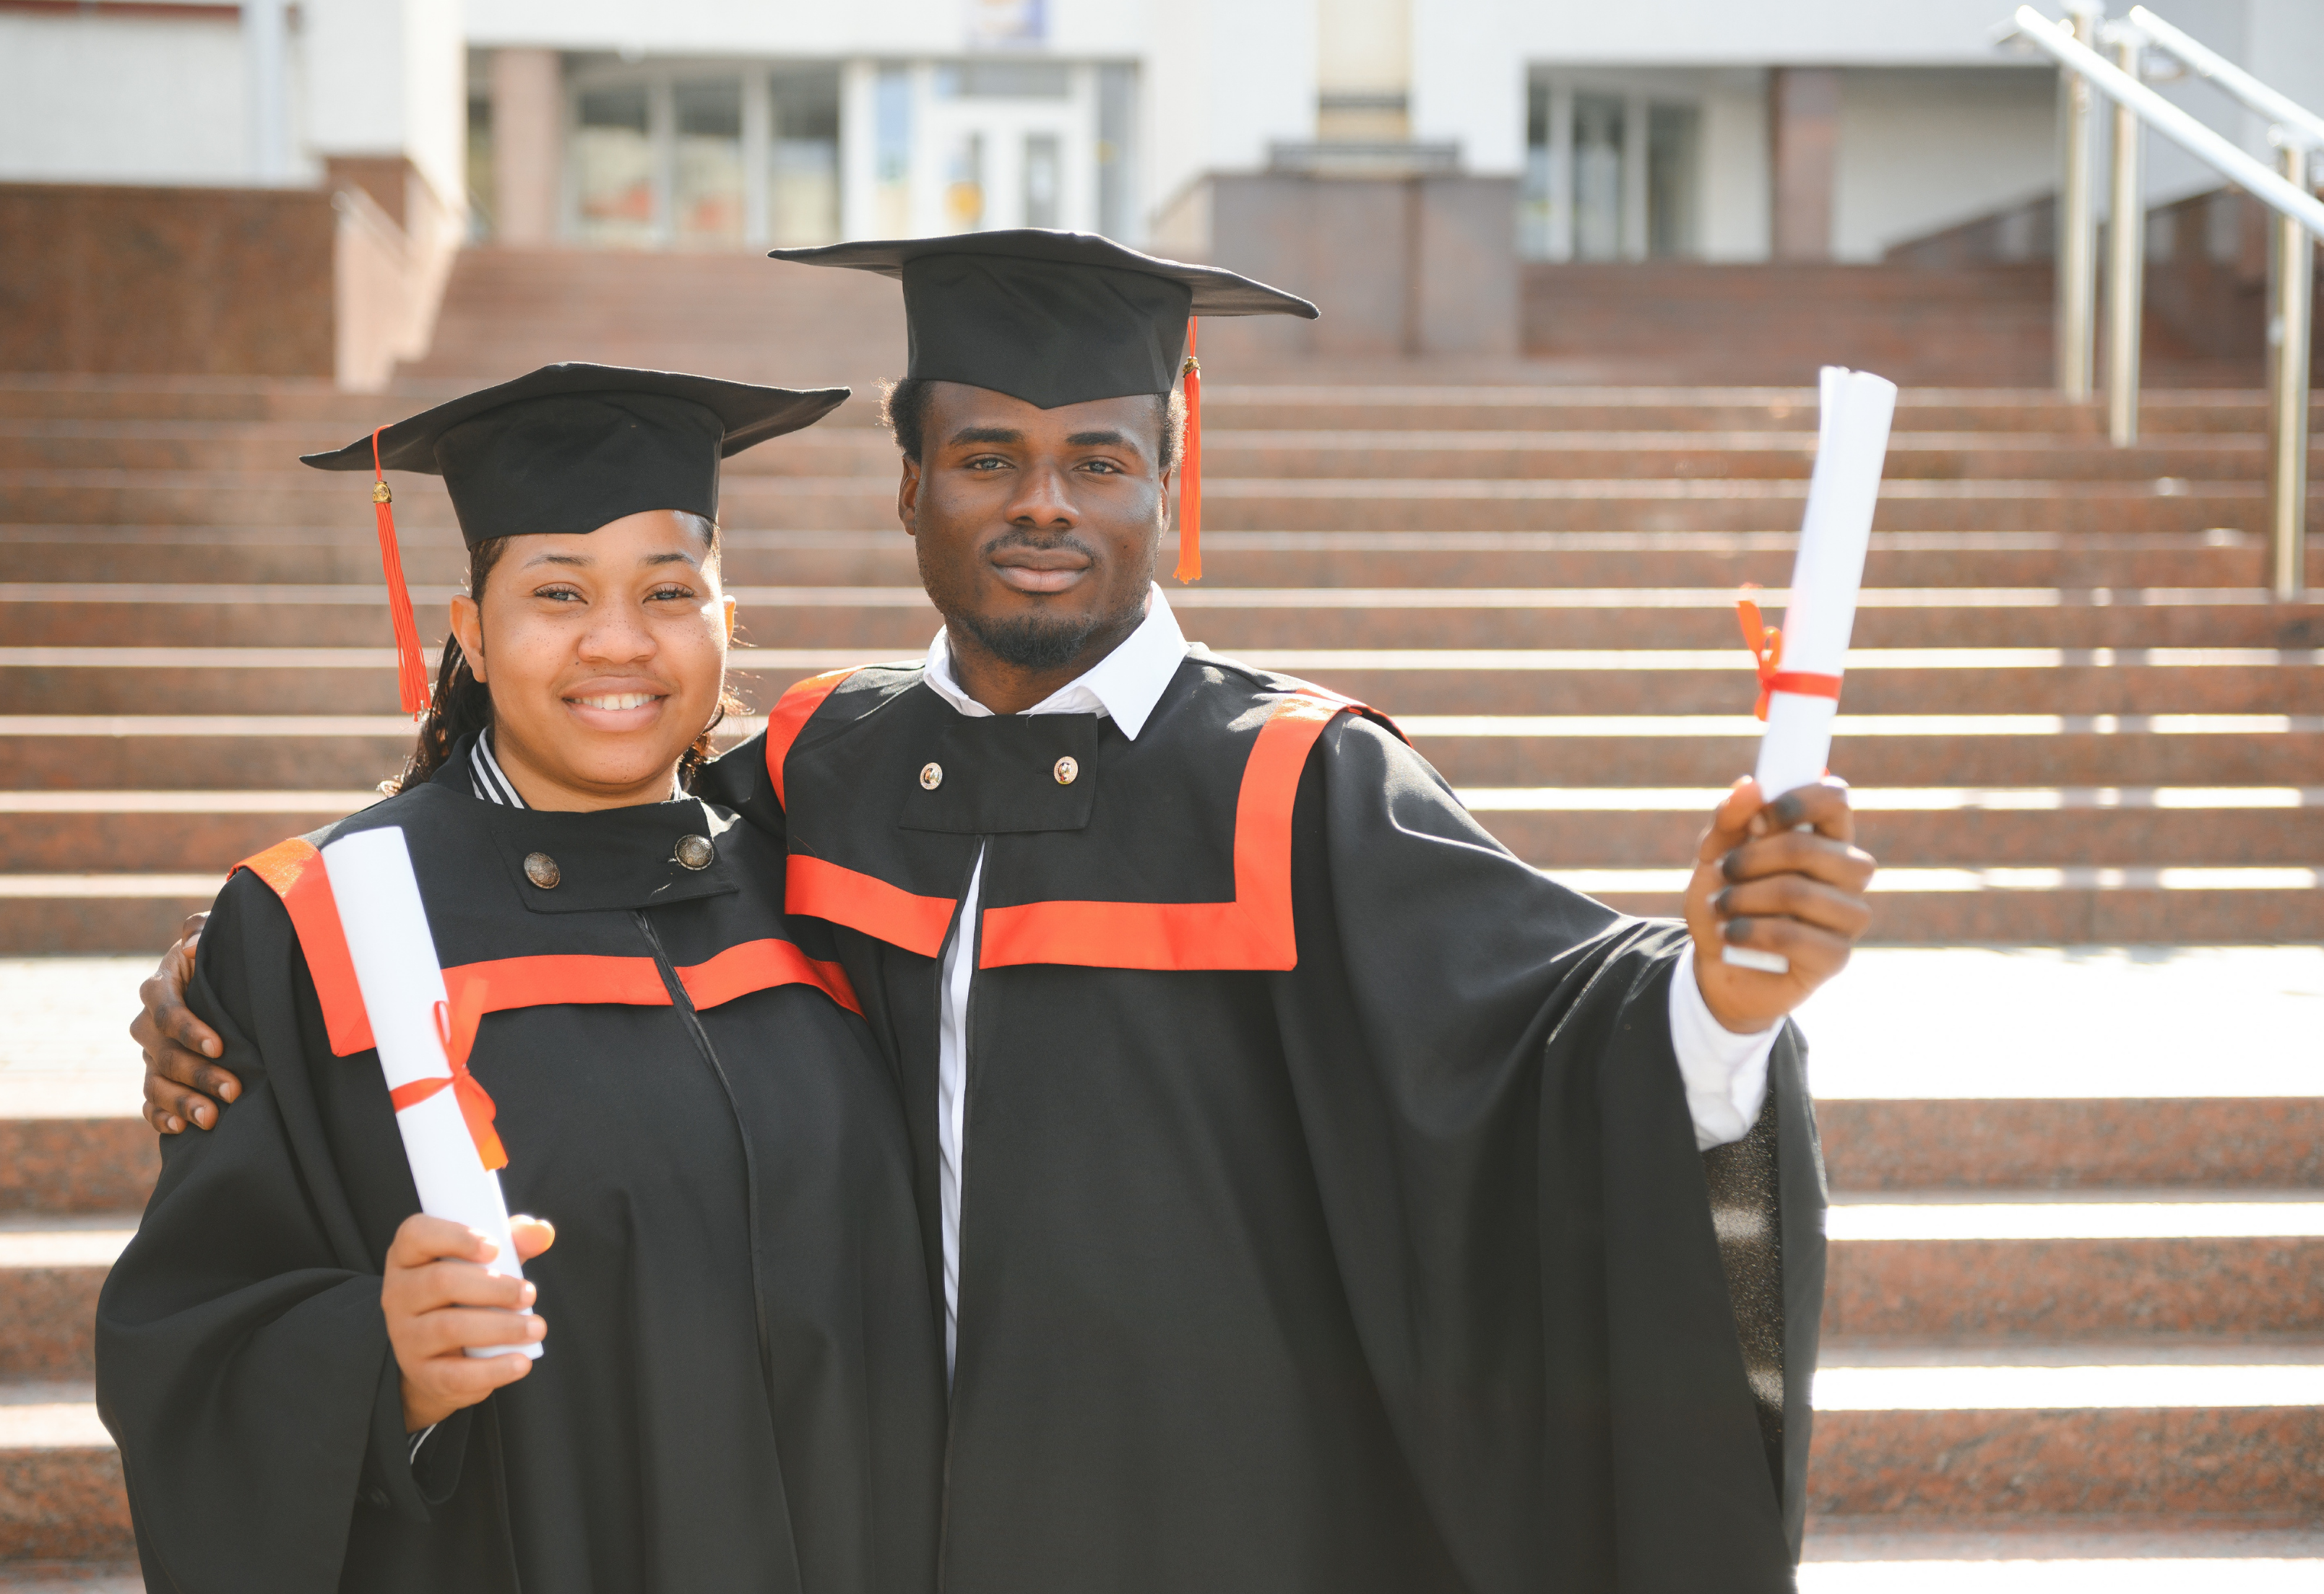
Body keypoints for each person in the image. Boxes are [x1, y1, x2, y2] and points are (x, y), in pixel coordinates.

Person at [135, 235, 1875, 1593]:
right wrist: (242, 980)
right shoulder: (820, 763)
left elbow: (1556, 1041)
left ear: (1165, 476)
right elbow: (566, 828)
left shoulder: (1298, 783)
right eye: (985, 454)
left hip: (1207, 1533)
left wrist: (1721, 1003)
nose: (1042, 502)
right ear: (909, 486)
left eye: (1096, 457)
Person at [97, 365, 944, 1594]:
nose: (619, 640)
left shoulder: (817, 881)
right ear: (472, 631)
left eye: (668, 592)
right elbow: (190, 1342)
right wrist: (387, 1366)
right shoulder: (317, 924)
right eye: (558, 592)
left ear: (725, 618)